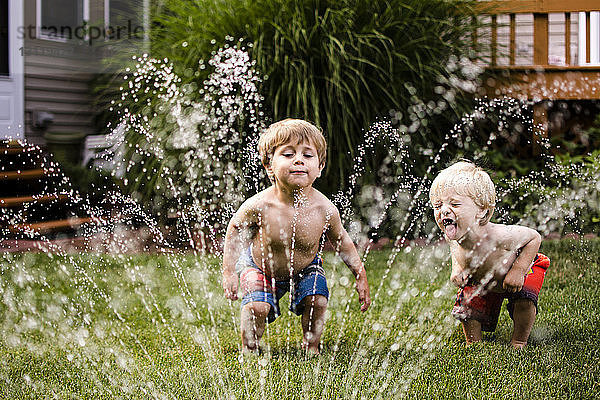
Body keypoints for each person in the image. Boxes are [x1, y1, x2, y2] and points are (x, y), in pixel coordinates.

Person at [222, 118, 371, 355]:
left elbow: (341, 240)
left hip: (305, 267)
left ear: (320, 167)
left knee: (317, 301)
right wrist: (230, 271)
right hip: (261, 267)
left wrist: (359, 273)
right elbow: (235, 229)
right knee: (256, 307)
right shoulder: (259, 205)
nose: (299, 160)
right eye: (288, 154)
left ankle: (311, 344)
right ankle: (249, 346)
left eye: (308, 155)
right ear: (269, 165)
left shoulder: (325, 209)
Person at [429, 161, 549, 348]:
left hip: (524, 269)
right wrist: (457, 267)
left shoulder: (500, 236)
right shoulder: (455, 235)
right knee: (467, 304)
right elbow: (453, 244)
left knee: (524, 300)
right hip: (484, 277)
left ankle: (519, 340)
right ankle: (473, 343)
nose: (444, 210)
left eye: (454, 204)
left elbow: (534, 238)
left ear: (482, 210)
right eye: (438, 205)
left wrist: (518, 270)